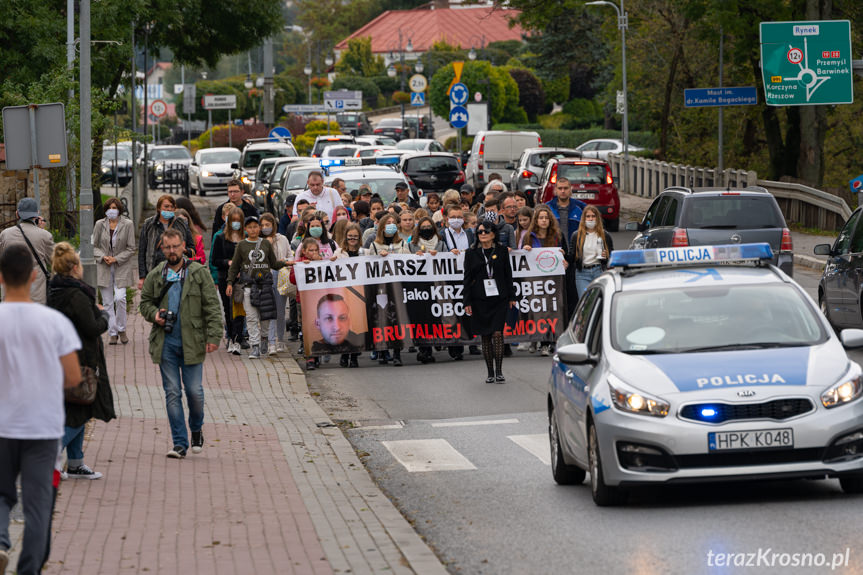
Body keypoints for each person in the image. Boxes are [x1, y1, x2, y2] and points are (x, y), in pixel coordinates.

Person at [0, 244, 81, 575]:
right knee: (37, 506)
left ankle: (1, 543)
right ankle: (28, 570)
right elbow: (74, 376)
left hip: (2, 426)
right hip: (43, 428)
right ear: (34, 275)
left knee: (1, 496)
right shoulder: (54, 322)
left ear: (1, 278)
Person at [140, 228, 222, 459]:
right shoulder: (157, 274)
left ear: (184, 246)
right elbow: (145, 302)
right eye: (167, 247)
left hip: (193, 341)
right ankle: (179, 443)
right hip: (165, 341)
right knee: (173, 393)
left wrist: (214, 336)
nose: (172, 251)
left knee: (194, 392)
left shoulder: (197, 272)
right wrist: (155, 314)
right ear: (161, 248)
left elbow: (212, 306)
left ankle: (196, 429)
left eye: (176, 246)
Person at [47, 242, 116, 480]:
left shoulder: (54, 290)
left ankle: (76, 463)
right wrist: (104, 316)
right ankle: (53, 454)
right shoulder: (76, 294)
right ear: (75, 267)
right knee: (84, 408)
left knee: (77, 406)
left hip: (64, 357)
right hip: (82, 359)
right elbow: (91, 327)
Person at [463, 221, 516, 383]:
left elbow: (508, 274)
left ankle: (499, 371)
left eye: (486, 231)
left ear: (493, 233)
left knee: (498, 333)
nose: (483, 234)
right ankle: (490, 372)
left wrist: (512, 296)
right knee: (485, 335)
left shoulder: (501, 251)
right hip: (480, 299)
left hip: (499, 298)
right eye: (479, 232)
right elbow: (467, 278)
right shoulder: (471, 253)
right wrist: (467, 301)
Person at [226, 216, 287, 359]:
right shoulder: (241, 245)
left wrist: (287, 263)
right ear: (245, 229)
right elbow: (234, 266)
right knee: (252, 318)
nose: (253, 229)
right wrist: (229, 283)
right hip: (248, 286)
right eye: (250, 227)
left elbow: (273, 263)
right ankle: (255, 346)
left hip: (265, 286)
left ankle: (264, 338)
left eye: (255, 226)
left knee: (265, 317)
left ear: (259, 228)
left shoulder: (265, 243)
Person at [523, 205, 568, 355]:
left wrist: (563, 258)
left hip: (554, 279)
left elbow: (567, 256)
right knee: (540, 309)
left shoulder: (557, 236)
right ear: (536, 220)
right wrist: (526, 250)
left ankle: (555, 339)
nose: (543, 220)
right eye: (541, 218)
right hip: (536, 280)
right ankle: (543, 341)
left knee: (555, 308)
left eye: (546, 218)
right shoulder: (529, 236)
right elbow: (523, 259)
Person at [92, 197, 136, 345]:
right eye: (109, 208)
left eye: (115, 208)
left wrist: (116, 258)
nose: (112, 211)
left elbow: (131, 248)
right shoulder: (99, 224)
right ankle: (113, 332)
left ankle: (122, 328)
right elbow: (94, 246)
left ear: (119, 210)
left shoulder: (128, 224)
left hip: (121, 266)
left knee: (120, 298)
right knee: (108, 302)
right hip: (104, 267)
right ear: (106, 210)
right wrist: (103, 256)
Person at [368, 213, 410, 366]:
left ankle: (397, 353)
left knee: (397, 319)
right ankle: (382, 351)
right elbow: (368, 266)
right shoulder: (374, 245)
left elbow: (409, 263)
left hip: (398, 287)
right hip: (381, 289)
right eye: (388, 223)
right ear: (382, 227)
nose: (391, 225)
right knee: (382, 319)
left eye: (393, 222)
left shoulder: (403, 244)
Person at [0, 197, 55, 304]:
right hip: (36, 293)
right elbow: (54, 261)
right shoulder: (44, 235)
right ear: (37, 214)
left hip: (10, 293)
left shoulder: (5, 234)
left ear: (17, 214)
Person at [138, 194, 195, 289]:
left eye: (172, 207)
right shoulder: (149, 224)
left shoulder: (181, 224)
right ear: (159, 208)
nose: (169, 209)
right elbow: (142, 251)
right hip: (154, 270)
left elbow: (192, 250)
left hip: (178, 271)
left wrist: (184, 250)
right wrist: (142, 276)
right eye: (166, 206)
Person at [410, 217, 444, 364]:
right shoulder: (412, 245)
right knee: (422, 318)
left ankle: (437, 342)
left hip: (438, 286)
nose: (426, 229)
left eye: (428, 226)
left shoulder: (441, 244)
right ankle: (424, 350)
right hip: (420, 287)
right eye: (423, 227)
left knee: (436, 317)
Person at [212, 206, 246, 354]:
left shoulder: (245, 238)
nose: (236, 224)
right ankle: (231, 337)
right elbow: (215, 260)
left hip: (241, 279)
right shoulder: (220, 238)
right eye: (234, 221)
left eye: (239, 221)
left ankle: (238, 339)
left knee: (239, 309)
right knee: (228, 310)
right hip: (225, 278)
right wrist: (228, 263)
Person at [333, 224, 365, 367]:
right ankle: (344, 354)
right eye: (350, 236)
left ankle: (354, 356)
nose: (352, 239)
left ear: (359, 238)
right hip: (344, 293)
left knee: (356, 325)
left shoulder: (365, 252)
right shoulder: (339, 252)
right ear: (346, 237)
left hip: (359, 294)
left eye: (355, 236)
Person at [261, 212, 293, 354]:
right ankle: (271, 341)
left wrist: (286, 263)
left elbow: (289, 255)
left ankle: (280, 339)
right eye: (262, 225)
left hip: (281, 274)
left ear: (273, 225)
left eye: (267, 225)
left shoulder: (282, 239)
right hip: (266, 276)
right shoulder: (259, 241)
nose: (265, 227)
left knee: (280, 311)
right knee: (270, 311)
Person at [569, 205, 614, 300]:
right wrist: (563, 255)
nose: (590, 219)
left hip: (599, 271)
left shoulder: (604, 235)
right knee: (585, 301)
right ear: (583, 218)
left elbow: (611, 256)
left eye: (593, 216)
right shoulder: (576, 235)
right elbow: (571, 256)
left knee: (599, 300)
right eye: (588, 216)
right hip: (582, 274)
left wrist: (606, 256)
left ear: (597, 218)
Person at [546, 177, 586, 252]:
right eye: (560, 188)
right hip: (554, 252)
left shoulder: (581, 207)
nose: (563, 191)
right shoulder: (547, 208)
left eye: (566, 188)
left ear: (571, 189)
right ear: (555, 190)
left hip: (576, 252)